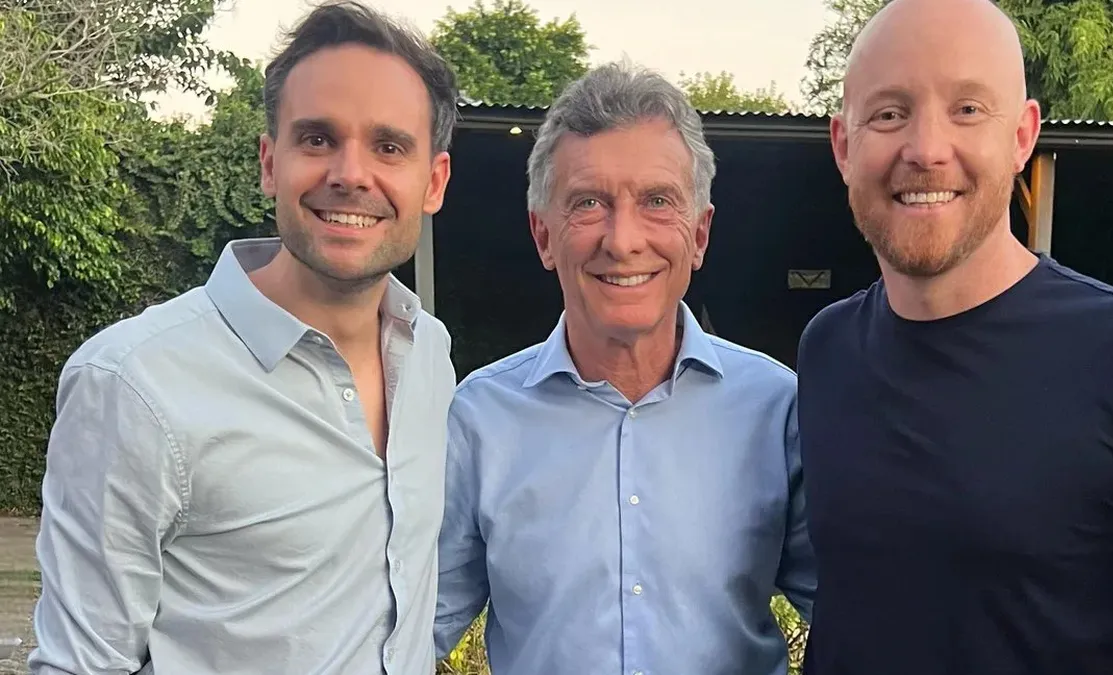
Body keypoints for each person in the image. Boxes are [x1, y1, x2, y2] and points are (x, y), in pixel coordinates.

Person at [27, 2, 458, 673]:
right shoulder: (134, 383)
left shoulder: (428, 354)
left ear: (433, 181)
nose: (350, 172)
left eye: (389, 146)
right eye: (317, 139)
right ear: (268, 163)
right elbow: (82, 662)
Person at [795, 0, 1113, 673]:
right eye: (890, 112)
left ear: (1021, 136)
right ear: (844, 145)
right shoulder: (827, 347)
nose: (926, 150)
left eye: (967, 109)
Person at [433, 61, 817, 675]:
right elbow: (408, 629)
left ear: (699, 234)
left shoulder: (778, 409)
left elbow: (855, 614)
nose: (624, 240)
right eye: (588, 203)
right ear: (543, 236)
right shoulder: (479, 420)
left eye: (657, 202)